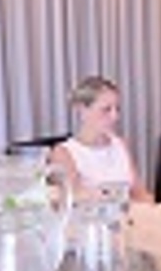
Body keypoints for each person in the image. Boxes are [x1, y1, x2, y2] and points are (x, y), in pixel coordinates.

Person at [49, 76, 154, 204]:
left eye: (117, 109)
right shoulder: (63, 153)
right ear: (83, 110)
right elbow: (71, 202)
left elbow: (139, 192)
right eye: (106, 110)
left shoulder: (119, 144)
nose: (115, 117)